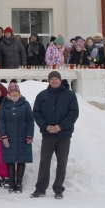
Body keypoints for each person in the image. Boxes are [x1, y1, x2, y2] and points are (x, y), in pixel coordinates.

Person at [31, 71, 79, 199]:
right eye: (52, 79)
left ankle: (58, 189)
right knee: (44, 162)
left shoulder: (70, 95)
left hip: (64, 135)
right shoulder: (42, 96)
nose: (54, 81)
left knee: (61, 162)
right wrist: (45, 126)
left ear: (60, 80)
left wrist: (61, 126)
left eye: (56, 78)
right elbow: (36, 113)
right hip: (48, 135)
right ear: (49, 81)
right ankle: (40, 189)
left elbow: (73, 113)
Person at [0, 82, 34, 193]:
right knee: (10, 159)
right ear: (9, 93)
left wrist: (29, 135)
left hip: (22, 136)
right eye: (12, 91)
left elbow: (30, 120)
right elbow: (1, 120)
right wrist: (3, 136)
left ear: (19, 92)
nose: (14, 93)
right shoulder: (4, 104)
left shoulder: (25, 103)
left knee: (21, 159)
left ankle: (19, 183)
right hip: (9, 136)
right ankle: (12, 184)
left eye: (16, 91)